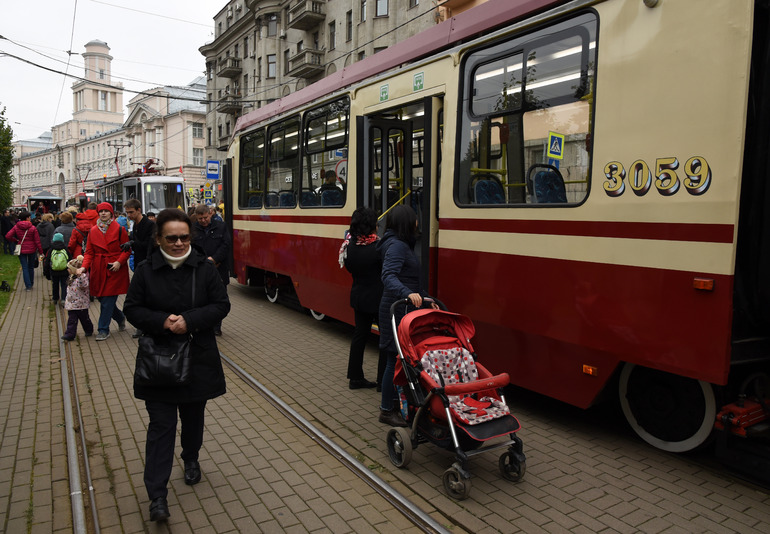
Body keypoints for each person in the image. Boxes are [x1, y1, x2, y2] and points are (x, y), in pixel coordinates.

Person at [124, 208, 230, 523]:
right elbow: (132, 308)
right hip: (158, 362)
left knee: (193, 418)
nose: (179, 243)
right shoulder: (145, 271)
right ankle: (157, 495)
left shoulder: (204, 269)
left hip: (197, 358)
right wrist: (162, 321)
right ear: (159, 239)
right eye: (172, 238)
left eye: (184, 237)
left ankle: (191, 456)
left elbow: (221, 305)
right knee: (161, 427)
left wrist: (190, 320)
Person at [377, 204, 432, 427]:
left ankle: (398, 404)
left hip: (403, 307)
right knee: (393, 360)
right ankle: (386, 410)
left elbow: (411, 281)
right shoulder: (398, 246)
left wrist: (427, 300)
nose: (418, 222)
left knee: (400, 360)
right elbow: (388, 276)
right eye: (415, 219)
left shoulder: (400, 244)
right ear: (407, 223)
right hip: (396, 309)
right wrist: (407, 294)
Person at [342, 207, 384, 390]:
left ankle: (355, 377)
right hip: (379, 299)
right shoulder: (378, 247)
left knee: (359, 336)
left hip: (359, 296)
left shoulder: (349, 246)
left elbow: (350, 268)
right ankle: (383, 381)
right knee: (385, 339)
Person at [77, 202, 130, 341]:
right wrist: (83, 267)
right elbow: (89, 252)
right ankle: (120, 317)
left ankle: (103, 329)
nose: (103, 213)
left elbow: (127, 250)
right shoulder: (93, 231)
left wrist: (119, 262)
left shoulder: (119, 229)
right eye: (101, 211)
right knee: (102, 298)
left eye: (106, 211)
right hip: (99, 268)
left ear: (111, 213)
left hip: (114, 268)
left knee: (107, 300)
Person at [191, 204, 231, 336]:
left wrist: (214, 259)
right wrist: (203, 261)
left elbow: (226, 245)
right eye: (200, 218)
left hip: (219, 268)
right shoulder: (193, 229)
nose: (203, 220)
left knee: (218, 298)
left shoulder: (221, 227)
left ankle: (216, 326)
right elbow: (190, 248)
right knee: (201, 298)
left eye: (205, 217)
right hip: (199, 269)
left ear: (211, 214)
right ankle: (203, 323)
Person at [5, 211, 44, 291]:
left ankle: (28, 286)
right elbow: (37, 241)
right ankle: (31, 283)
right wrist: (41, 251)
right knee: (31, 267)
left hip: (21, 248)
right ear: (27, 218)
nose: (30, 218)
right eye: (29, 217)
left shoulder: (16, 227)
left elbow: (8, 236)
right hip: (32, 249)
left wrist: (16, 240)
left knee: (24, 267)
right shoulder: (32, 228)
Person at [61, 255, 94, 341]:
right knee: (72, 321)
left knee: (85, 319)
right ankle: (70, 334)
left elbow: (84, 285)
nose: (68, 270)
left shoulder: (82, 277)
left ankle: (89, 329)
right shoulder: (71, 277)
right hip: (72, 305)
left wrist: (80, 276)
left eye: (69, 268)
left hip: (81, 304)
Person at [46, 233, 70, 305]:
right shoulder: (65, 249)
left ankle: (55, 298)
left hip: (54, 271)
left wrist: (47, 272)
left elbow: (47, 262)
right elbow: (69, 259)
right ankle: (63, 298)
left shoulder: (51, 250)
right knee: (64, 285)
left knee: (55, 284)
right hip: (64, 271)